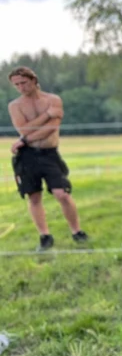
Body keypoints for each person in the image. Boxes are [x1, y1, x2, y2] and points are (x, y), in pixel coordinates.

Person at [7, 66, 89, 252]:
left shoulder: (53, 100)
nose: (21, 87)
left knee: (62, 194)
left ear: (34, 80)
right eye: (16, 85)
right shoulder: (15, 106)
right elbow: (24, 130)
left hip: (50, 154)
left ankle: (77, 232)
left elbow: (51, 128)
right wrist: (46, 116)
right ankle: (45, 237)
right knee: (34, 196)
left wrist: (25, 139)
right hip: (27, 156)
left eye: (24, 83)